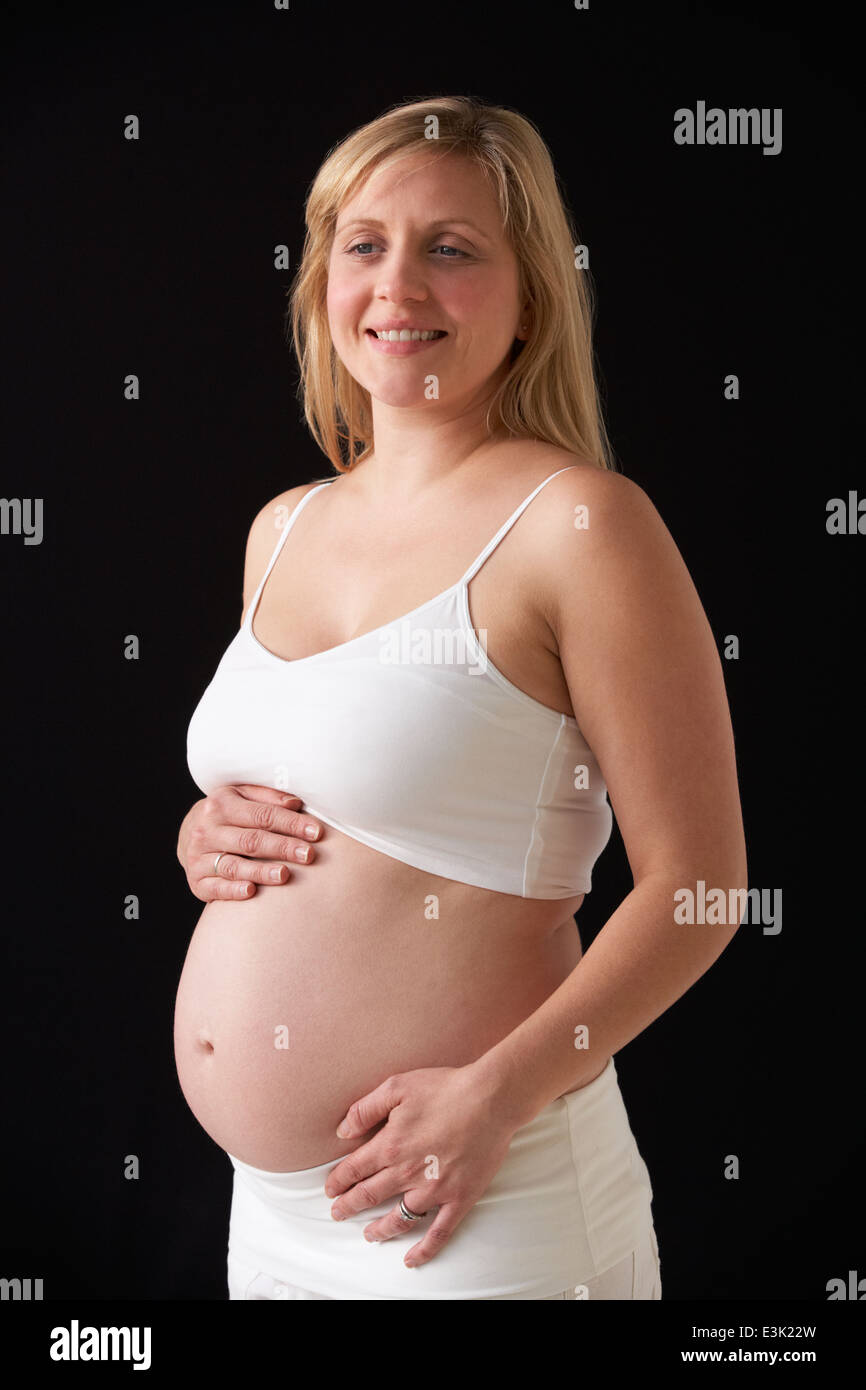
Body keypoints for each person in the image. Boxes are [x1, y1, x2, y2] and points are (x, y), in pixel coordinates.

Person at [173, 95, 747, 1301]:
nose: (398, 287)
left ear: (529, 293)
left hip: (478, 1203)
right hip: (271, 1220)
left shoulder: (580, 527)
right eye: (364, 243)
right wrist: (204, 835)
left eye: (451, 248)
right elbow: (321, 800)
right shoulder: (283, 527)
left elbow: (699, 889)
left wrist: (496, 1094)